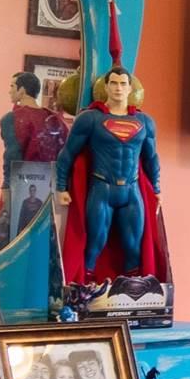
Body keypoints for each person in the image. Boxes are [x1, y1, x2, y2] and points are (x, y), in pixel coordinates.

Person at [60, 65, 161, 277]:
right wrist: (61, 187)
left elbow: (151, 158)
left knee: (133, 248)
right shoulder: (90, 118)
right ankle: (85, 290)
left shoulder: (144, 122)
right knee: (95, 244)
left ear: (130, 88)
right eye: (113, 83)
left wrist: (157, 188)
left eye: (123, 84)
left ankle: (132, 290)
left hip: (131, 191)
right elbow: (68, 153)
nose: (118, 88)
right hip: (102, 189)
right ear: (105, 87)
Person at [0, 70, 68, 251]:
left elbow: (11, 156)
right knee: (41, 238)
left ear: (22, 90)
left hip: (20, 184)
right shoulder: (55, 119)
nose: (9, 90)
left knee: (11, 238)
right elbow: (63, 153)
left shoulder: (11, 118)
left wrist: (6, 186)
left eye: (12, 86)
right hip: (49, 186)